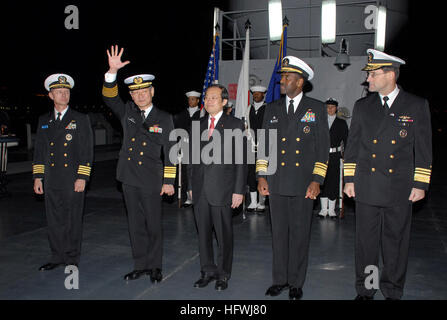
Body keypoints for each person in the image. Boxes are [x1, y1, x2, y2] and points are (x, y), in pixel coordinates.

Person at [343, 49, 432, 300]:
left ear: (390, 75)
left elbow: (424, 150)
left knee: (396, 242)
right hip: (367, 186)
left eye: (373, 74)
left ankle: (392, 289)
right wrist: (349, 179)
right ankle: (367, 288)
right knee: (367, 244)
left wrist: (421, 183)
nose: (368, 79)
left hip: (399, 188)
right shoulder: (362, 106)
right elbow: (353, 147)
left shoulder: (415, 105)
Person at [257, 56, 330, 300]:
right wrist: (261, 176)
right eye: (282, 77)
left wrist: (317, 180)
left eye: (287, 78)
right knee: (279, 234)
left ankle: (296, 282)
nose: (282, 81)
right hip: (276, 182)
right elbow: (264, 145)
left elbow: (322, 149)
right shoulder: (273, 108)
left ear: (300, 82)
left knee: (300, 235)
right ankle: (279, 280)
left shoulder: (316, 108)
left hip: (303, 183)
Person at [102, 45, 176, 282]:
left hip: (152, 179)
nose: (140, 95)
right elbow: (108, 96)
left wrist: (169, 181)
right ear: (131, 95)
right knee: (135, 224)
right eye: (135, 92)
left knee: (153, 224)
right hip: (128, 177)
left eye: (144, 90)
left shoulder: (164, 118)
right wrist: (112, 73)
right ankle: (140, 264)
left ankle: (155, 266)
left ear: (152, 91)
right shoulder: (127, 112)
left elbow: (171, 152)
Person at [187, 84, 246, 291]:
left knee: (224, 235)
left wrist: (239, 190)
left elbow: (240, 160)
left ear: (224, 102)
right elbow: (192, 159)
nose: (209, 100)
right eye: (207, 97)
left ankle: (223, 274)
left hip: (223, 189)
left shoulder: (235, 124)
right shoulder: (198, 124)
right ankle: (207, 271)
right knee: (202, 234)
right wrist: (190, 185)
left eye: (214, 98)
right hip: (200, 188)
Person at [33, 73, 93, 271]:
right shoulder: (44, 120)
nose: (63, 95)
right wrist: (38, 177)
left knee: (72, 219)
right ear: (51, 95)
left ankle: (71, 257)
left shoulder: (80, 119)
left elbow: (87, 151)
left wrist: (82, 177)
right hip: (51, 179)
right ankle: (57, 256)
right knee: (54, 219)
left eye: (66, 92)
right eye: (59, 92)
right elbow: (39, 152)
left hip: (72, 178)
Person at [318, 98, 348, 219]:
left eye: (332, 107)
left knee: (334, 181)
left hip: (335, 155)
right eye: (328, 106)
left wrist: (346, 156)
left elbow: (347, 140)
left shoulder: (341, 123)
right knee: (322, 180)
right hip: (322, 155)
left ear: (336, 108)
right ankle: (323, 209)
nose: (330, 109)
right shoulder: (321, 122)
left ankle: (331, 210)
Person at [173, 91, 201, 207]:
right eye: (189, 99)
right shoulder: (182, 114)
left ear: (198, 100)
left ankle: (197, 196)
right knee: (185, 173)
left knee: (196, 172)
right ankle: (188, 197)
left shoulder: (202, 114)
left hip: (199, 148)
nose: (191, 102)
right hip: (184, 146)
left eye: (193, 99)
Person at [247, 85, 267, 213]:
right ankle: (253, 201)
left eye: (258, 94)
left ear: (263, 95)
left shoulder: (268, 108)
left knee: (263, 173)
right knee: (250, 174)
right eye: (254, 94)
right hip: (251, 146)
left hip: (264, 146)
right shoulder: (248, 108)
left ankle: (261, 202)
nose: (256, 96)